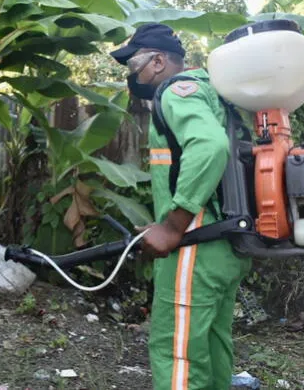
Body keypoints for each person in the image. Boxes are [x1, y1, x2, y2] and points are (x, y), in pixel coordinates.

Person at [110, 23, 251, 390]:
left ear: (157, 61)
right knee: (211, 343)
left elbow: (209, 147)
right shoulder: (214, 94)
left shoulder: (177, 92)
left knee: (178, 352)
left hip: (196, 244)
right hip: (227, 247)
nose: (132, 75)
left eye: (134, 64)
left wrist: (173, 227)